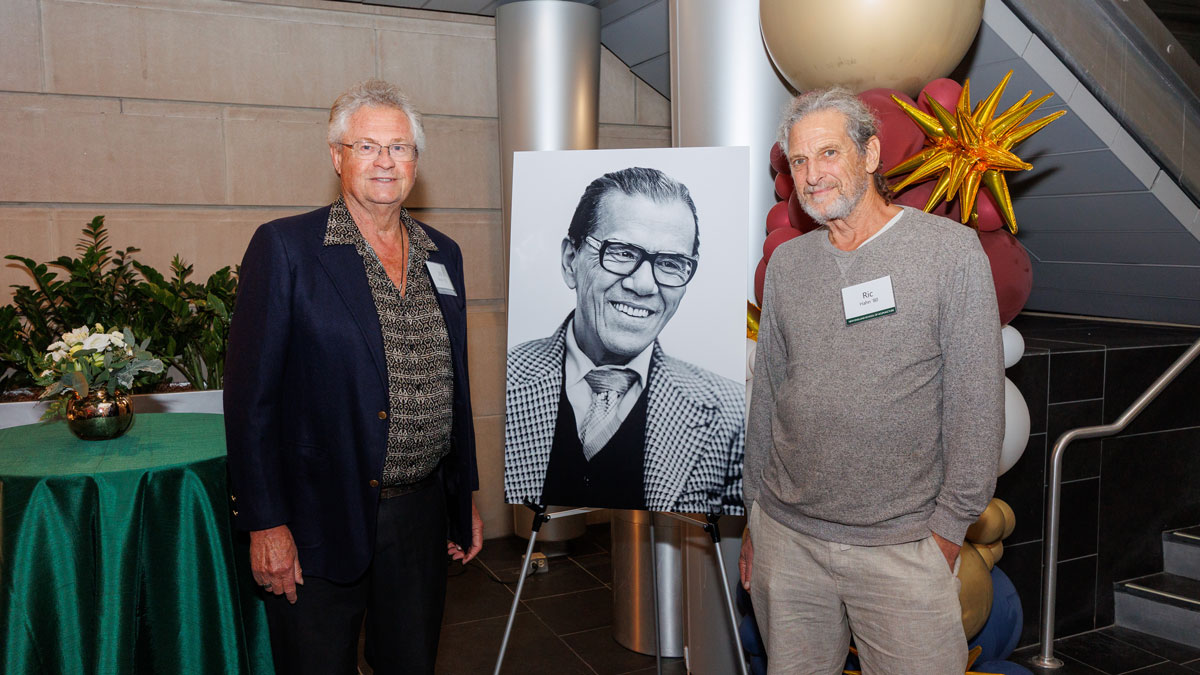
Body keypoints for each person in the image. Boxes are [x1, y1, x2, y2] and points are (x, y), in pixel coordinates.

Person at [739, 88, 1004, 674]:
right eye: (799, 161)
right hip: (788, 540)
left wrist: (946, 533)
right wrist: (755, 515)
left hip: (903, 549)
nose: (813, 175)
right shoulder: (788, 265)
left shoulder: (949, 252)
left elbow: (977, 404)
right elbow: (769, 395)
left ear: (872, 154)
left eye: (828, 153)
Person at [223, 79, 483, 675]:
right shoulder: (287, 248)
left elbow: (455, 386)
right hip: (317, 517)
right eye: (367, 147)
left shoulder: (443, 253)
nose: (385, 161)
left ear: (416, 160)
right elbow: (250, 402)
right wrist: (265, 523)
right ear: (337, 157)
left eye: (399, 148)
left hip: (418, 517)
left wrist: (460, 496)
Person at [505, 167, 745, 514]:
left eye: (670, 263)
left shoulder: (731, 412)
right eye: (622, 252)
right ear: (571, 261)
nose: (644, 285)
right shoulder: (506, 381)